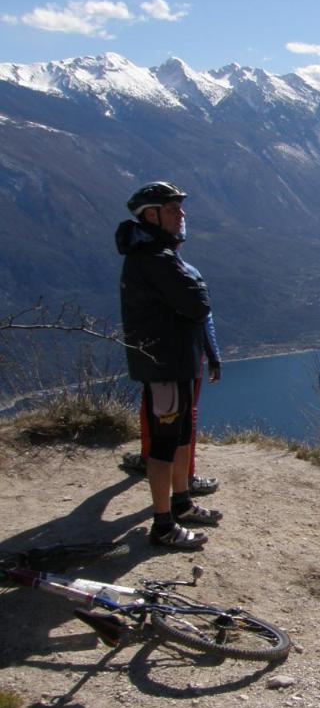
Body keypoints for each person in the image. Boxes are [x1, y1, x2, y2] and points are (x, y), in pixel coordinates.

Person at [116, 181, 223, 549]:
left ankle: (181, 503)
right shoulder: (154, 259)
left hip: (176, 361)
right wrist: (197, 288)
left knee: (179, 437)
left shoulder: (159, 254)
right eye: (173, 209)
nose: (182, 216)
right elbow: (197, 304)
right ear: (151, 215)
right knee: (163, 444)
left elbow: (192, 301)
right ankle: (162, 525)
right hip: (165, 366)